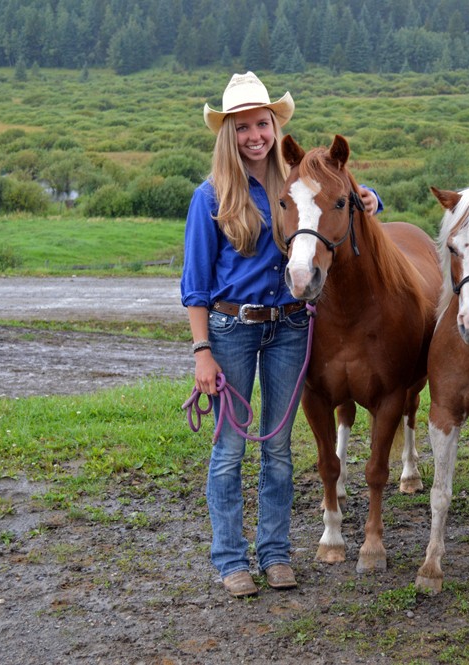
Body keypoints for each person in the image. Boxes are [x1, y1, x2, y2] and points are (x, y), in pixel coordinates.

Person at [181, 72, 380, 598]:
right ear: (229, 134)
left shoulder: (291, 182)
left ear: (274, 126)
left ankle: (274, 554)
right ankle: (230, 559)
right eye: (243, 127)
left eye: (262, 124)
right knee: (229, 450)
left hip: (290, 326)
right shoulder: (210, 197)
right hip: (231, 329)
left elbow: (336, 195)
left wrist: (369, 195)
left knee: (279, 449)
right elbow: (195, 286)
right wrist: (203, 351)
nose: (255, 135)